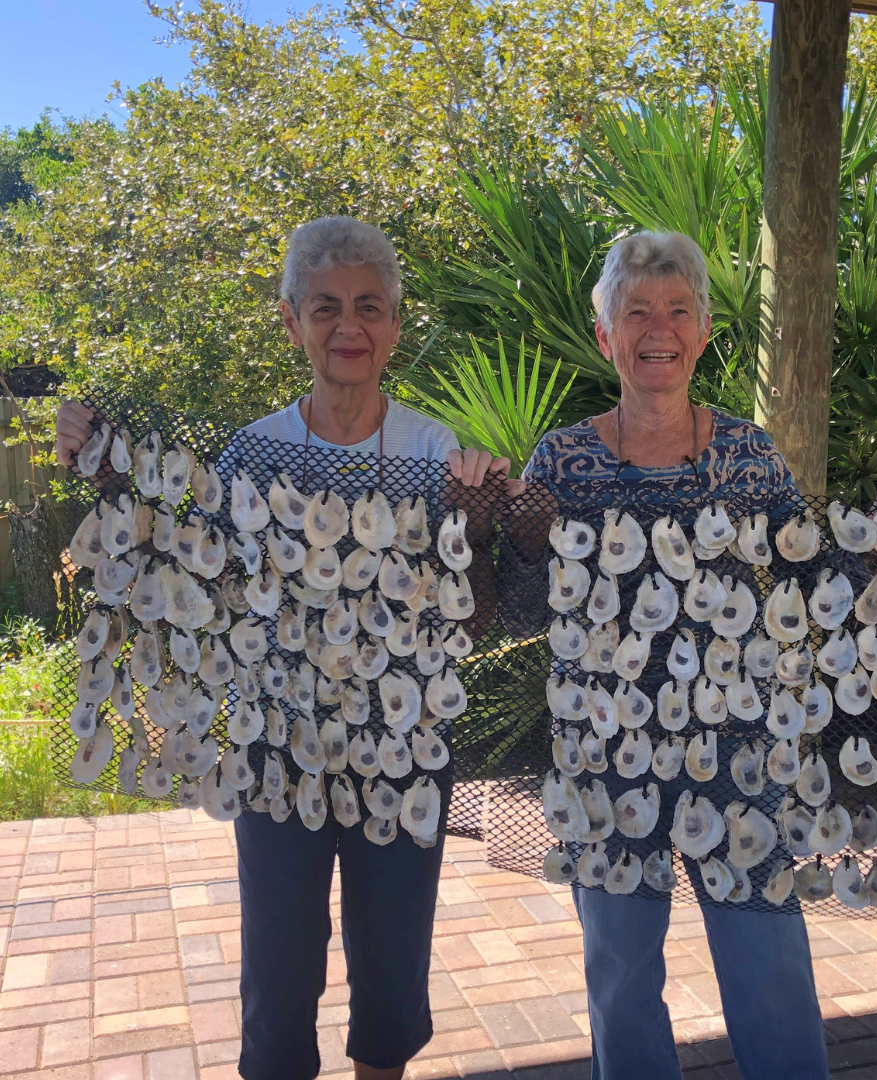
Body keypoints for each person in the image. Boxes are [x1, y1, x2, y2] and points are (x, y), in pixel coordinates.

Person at [55, 216, 507, 1080]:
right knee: (279, 957)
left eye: (369, 307)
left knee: (393, 956)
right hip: (274, 750)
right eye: (327, 306)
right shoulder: (251, 451)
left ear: (395, 326)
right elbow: (190, 573)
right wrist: (104, 462)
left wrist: (482, 523)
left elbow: (472, 615)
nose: (350, 328)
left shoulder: (433, 449)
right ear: (292, 321)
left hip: (402, 750)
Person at [502, 230, 877, 1080]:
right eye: (636, 311)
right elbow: (524, 600)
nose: (657, 328)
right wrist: (509, 527)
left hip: (739, 748)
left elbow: (814, 574)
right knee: (621, 971)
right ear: (606, 336)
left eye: (677, 310)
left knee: (766, 953)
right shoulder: (562, 457)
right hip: (605, 756)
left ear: (703, 333)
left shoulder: (747, 452)